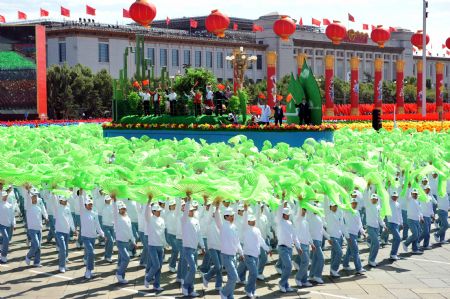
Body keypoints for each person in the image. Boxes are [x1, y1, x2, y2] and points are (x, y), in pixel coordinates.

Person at [237, 206, 271, 298]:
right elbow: (244, 218)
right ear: (248, 222)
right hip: (248, 255)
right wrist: (245, 209)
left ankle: (252, 290)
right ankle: (248, 290)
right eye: (251, 220)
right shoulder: (245, 228)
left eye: (254, 220)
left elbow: (261, 241)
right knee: (254, 273)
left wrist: (268, 249)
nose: (253, 221)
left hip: (256, 255)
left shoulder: (257, 230)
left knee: (253, 274)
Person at [215, 203, 243, 299]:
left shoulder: (234, 227)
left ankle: (230, 295)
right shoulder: (222, 226)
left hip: (234, 255)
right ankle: (224, 292)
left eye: (233, 215)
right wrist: (217, 208)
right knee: (234, 277)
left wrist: (241, 253)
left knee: (231, 278)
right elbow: (217, 218)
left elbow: (237, 241)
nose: (232, 217)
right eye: (231, 215)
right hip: (226, 256)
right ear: (226, 216)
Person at [181, 194, 205, 297]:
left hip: (194, 249)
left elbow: (199, 234)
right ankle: (185, 286)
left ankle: (191, 290)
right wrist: (188, 201)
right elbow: (185, 211)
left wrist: (203, 246)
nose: (191, 211)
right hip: (187, 248)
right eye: (189, 210)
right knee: (193, 268)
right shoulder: (184, 220)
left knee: (193, 270)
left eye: (192, 210)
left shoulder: (196, 221)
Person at [275, 201, 302, 293]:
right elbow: (279, 211)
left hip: (289, 248)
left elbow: (294, 236)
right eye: (286, 214)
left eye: (288, 214)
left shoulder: (290, 223)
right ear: (282, 214)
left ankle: (286, 285)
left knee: (285, 267)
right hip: (282, 248)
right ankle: (282, 283)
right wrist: (282, 201)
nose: (288, 215)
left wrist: (298, 247)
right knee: (289, 266)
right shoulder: (279, 221)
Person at [79, 190, 104, 279]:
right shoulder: (82, 212)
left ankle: (89, 267)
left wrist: (102, 234)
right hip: (85, 237)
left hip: (93, 237)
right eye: (89, 204)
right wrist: (81, 193)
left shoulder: (94, 214)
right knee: (91, 252)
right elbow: (80, 200)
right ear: (85, 205)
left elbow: (98, 225)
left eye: (91, 204)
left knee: (89, 253)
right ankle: (88, 270)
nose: (90, 206)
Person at [112, 197, 135, 284]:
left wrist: (133, 240)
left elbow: (130, 230)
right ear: (119, 209)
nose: (123, 210)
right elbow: (114, 209)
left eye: (124, 208)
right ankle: (119, 273)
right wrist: (114, 201)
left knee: (122, 260)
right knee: (127, 258)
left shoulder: (128, 217)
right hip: (120, 242)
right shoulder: (117, 217)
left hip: (127, 241)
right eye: (121, 209)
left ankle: (121, 277)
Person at [144, 200, 166, 292]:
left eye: (160, 211)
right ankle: (148, 278)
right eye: (157, 211)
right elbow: (146, 213)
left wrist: (165, 243)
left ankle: (156, 285)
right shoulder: (150, 219)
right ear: (153, 211)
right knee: (156, 265)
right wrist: (149, 202)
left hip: (160, 246)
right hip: (152, 245)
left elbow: (162, 233)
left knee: (159, 267)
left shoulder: (162, 220)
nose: (159, 212)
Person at [24, 187, 48, 267]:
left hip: (39, 228)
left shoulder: (38, 206)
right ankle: (28, 256)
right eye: (33, 196)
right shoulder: (28, 206)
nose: (35, 197)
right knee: (36, 244)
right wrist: (27, 190)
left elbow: (43, 209)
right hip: (32, 229)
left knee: (38, 246)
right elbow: (27, 197)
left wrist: (46, 217)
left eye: (36, 196)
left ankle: (37, 262)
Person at [342, 197, 366, 274]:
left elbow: (359, 223)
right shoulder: (346, 211)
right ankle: (359, 268)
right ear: (350, 204)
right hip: (349, 234)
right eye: (353, 203)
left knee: (349, 251)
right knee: (355, 251)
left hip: (355, 234)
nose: (354, 204)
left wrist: (362, 231)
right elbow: (343, 202)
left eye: (355, 203)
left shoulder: (357, 212)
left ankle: (345, 265)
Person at [202, 204, 222, 291]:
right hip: (212, 247)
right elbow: (210, 213)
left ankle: (218, 285)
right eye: (213, 213)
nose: (214, 214)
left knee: (220, 267)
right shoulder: (208, 222)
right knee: (217, 266)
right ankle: (207, 277)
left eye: (216, 213)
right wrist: (212, 204)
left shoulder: (220, 223)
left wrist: (218, 207)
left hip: (220, 247)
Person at [53, 194, 75, 273]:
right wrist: (53, 192)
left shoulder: (67, 208)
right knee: (63, 248)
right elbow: (54, 200)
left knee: (65, 249)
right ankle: (61, 266)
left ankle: (64, 264)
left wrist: (73, 229)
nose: (66, 201)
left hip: (67, 231)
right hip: (59, 231)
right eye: (64, 200)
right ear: (60, 201)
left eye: (66, 200)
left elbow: (70, 219)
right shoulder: (57, 208)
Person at [294, 207, 315, 287]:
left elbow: (308, 234)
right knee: (306, 261)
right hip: (300, 244)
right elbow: (300, 208)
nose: (303, 211)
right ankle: (298, 278)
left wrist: (312, 243)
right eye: (302, 210)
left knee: (305, 263)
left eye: (305, 210)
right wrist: (301, 202)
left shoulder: (306, 222)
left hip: (306, 244)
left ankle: (304, 280)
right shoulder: (297, 219)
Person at [307, 206, 328, 284]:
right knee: (321, 259)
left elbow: (321, 229)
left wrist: (328, 237)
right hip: (314, 241)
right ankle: (317, 276)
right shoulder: (310, 216)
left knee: (315, 260)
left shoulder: (319, 217)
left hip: (319, 240)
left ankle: (311, 276)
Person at [365, 194, 386, 267]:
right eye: (372, 199)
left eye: (375, 199)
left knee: (374, 244)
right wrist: (367, 187)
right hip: (370, 227)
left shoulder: (378, 207)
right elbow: (365, 195)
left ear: (377, 200)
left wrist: (383, 225)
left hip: (376, 228)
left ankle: (371, 260)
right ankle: (371, 260)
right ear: (370, 199)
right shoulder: (368, 205)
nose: (373, 200)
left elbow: (379, 218)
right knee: (377, 244)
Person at [381, 191, 403, 260]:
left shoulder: (398, 204)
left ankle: (392, 254)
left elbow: (400, 214)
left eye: (396, 196)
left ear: (397, 197)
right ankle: (393, 254)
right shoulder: (388, 203)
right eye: (393, 196)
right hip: (391, 223)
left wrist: (401, 223)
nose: (394, 197)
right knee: (398, 238)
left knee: (395, 239)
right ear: (391, 197)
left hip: (396, 224)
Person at [325, 202, 345, 277]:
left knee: (334, 254)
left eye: (336, 206)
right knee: (339, 253)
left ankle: (332, 271)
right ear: (330, 207)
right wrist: (328, 237)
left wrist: (345, 236)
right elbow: (325, 202)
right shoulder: (328, 214)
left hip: (339, 236)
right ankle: (334, 269)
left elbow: (342, 226)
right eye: (333, 206)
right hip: (332, 237)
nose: (335, 207)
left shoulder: (339, 214)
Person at [402, 189, 423, 254]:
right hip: (411, 220)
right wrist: (408, 187)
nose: (415, 195)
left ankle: (414, 249)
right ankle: (405, 243)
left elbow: (419, 211)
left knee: (418, 234)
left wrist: (421, 218)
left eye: (416, 194)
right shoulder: (409, 199)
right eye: (413, 194)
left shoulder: (417, 201)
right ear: (411, 194)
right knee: (415, 234)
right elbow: (406, 194)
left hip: (417, 220)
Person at [418, 185, 436, 250]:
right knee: (425, 231)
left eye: (428, 189)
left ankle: (426, 245)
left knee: (428, 233)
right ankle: (417, 241)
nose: (427, 190)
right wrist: (420, 216)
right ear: (424, 190)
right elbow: (418, 206)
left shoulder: (430, 197)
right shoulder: (421, 197)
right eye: (426, 189)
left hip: (428, 216)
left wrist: (433, 215)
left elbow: (430, 208)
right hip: (423, 216)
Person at [0, 189, 15, 263]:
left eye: (6, 195)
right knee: (6, 238)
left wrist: (13, 223)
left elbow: (12, 215)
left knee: (7, 240)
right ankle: (3, 256)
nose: (5, 197)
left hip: (9, 225)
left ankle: (3, 254)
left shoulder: (10, 205)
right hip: (1, 225)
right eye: (3, 195)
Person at [101, 196, 115, 263]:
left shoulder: (113, 205)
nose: (108, 201)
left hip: (112, 226)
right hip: (105, 226)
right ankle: (109, 256)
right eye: (107, 200)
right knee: (111, 241)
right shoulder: (103, 207)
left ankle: (106, 256)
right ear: (105, 200)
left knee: (108, 241)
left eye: (109, 199)